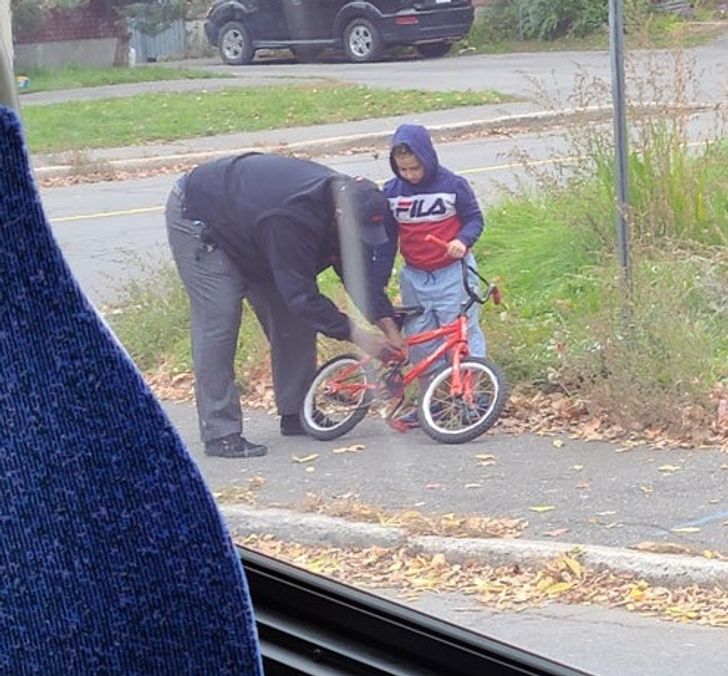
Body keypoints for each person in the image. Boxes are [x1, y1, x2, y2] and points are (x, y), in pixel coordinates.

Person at [166, 153, 405, 459]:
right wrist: (361, 337)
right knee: (220, 320)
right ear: (339, 215)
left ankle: (297, 412)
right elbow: (302, 296)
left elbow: (357, 277)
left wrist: (388, 326)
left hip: (254, 226)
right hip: (202, 216)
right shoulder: (291, 218)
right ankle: (220, 433)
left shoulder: (356, 205)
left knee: (295, 320)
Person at [374, 123, 487, 425]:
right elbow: (386, 240)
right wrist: (379, 279)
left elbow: (475, 219)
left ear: (428, 157)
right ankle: (431, 404)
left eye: (415, 167)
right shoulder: (392, 193)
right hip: (415, 277)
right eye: (403, 169)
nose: (410, 175)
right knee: (422, 341)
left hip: (453, 273)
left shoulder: (453, 185)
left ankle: (470, 398)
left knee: (460, 336)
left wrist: (461, 241)